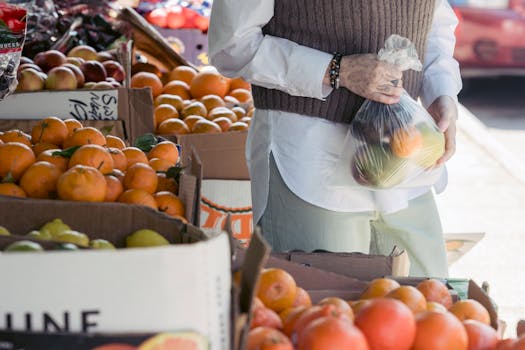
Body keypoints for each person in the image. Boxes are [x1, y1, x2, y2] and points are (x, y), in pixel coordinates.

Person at [208, 0, 462, 278]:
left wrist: (441, 91)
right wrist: (335, 70)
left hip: (405, 156)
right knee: (322, 310)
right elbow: (232, 44)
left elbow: (434, 21)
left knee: (430, 306)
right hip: (311, 162)